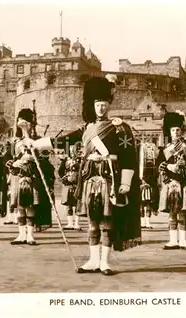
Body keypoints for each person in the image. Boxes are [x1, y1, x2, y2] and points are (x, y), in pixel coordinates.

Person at [27, 75, 141, 275]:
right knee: (92, 222)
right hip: (88, 180)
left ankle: (105, 261)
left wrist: (126, 183)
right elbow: (61, 141)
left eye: (104, 103)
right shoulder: (85, 129)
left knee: (107, 222)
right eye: (98, 103)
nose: (101, 107)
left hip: (109, 180)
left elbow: (129, 156)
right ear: (92, 104)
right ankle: (93, 260)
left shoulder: (120, 127)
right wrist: (35, 144)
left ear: (109, 104)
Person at [5, 109, 53, 245]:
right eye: (20, 121)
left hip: (32, 176)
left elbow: (44, 158)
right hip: (18, 176)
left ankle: (30, 235)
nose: (23, 124)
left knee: (30, 206)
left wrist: (30, 157)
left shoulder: (37, 139)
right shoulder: (15, 142)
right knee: (20, 207)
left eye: (26, 122)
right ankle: (21, 235)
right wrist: (13, 162)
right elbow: (8, 157)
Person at [156, 112, 186, 251]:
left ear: (181, 131)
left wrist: (185, 164)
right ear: (170, 132)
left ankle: (183, 240)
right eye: (173, 130)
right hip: (170, 182)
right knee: (172, 213)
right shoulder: (164, 149)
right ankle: (172, 240)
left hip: (184, 181)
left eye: (178, 130)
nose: (176, 132)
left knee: (182, 212)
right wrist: (169, 166)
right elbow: (159, 165)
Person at [58, 142, 83, 231]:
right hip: (67, 184)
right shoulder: (65, 160)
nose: (73, 152)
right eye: (71, 151)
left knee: (77, 204)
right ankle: (70, 223)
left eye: (75, 150)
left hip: (78, 184)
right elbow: (60, 171)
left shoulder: (82, 160)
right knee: (68, 204)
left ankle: (77, 223)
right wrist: (63, 178)